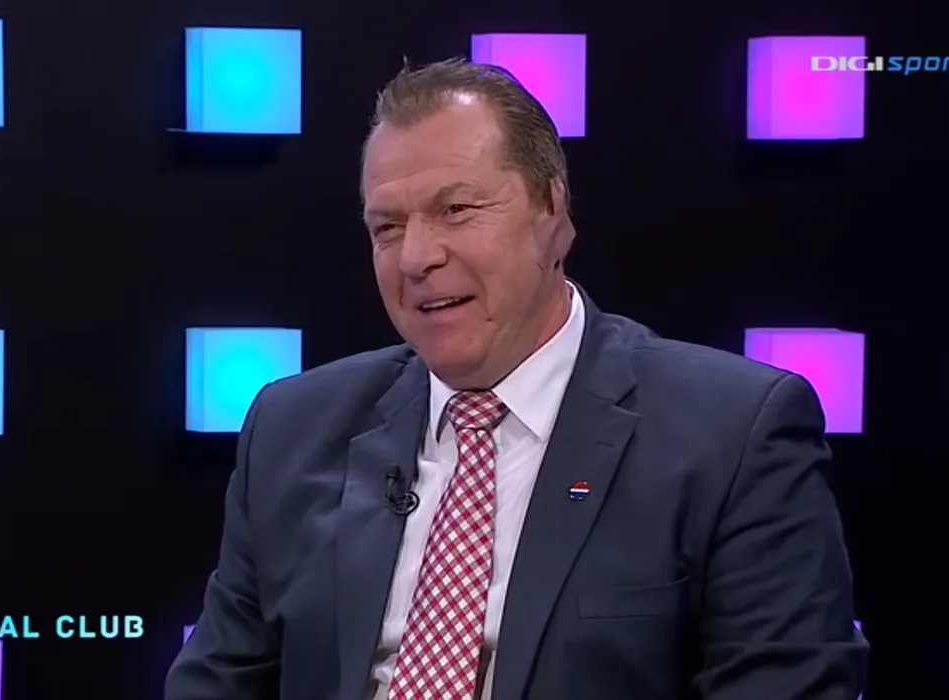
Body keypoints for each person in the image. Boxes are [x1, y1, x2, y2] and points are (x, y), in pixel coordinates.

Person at [165, 58, 868, 700]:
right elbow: (218, 683)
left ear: (552, 211)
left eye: (456, 210)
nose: (415, 258)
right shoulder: (292, 428)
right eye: (387, 228)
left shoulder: (733, 434)